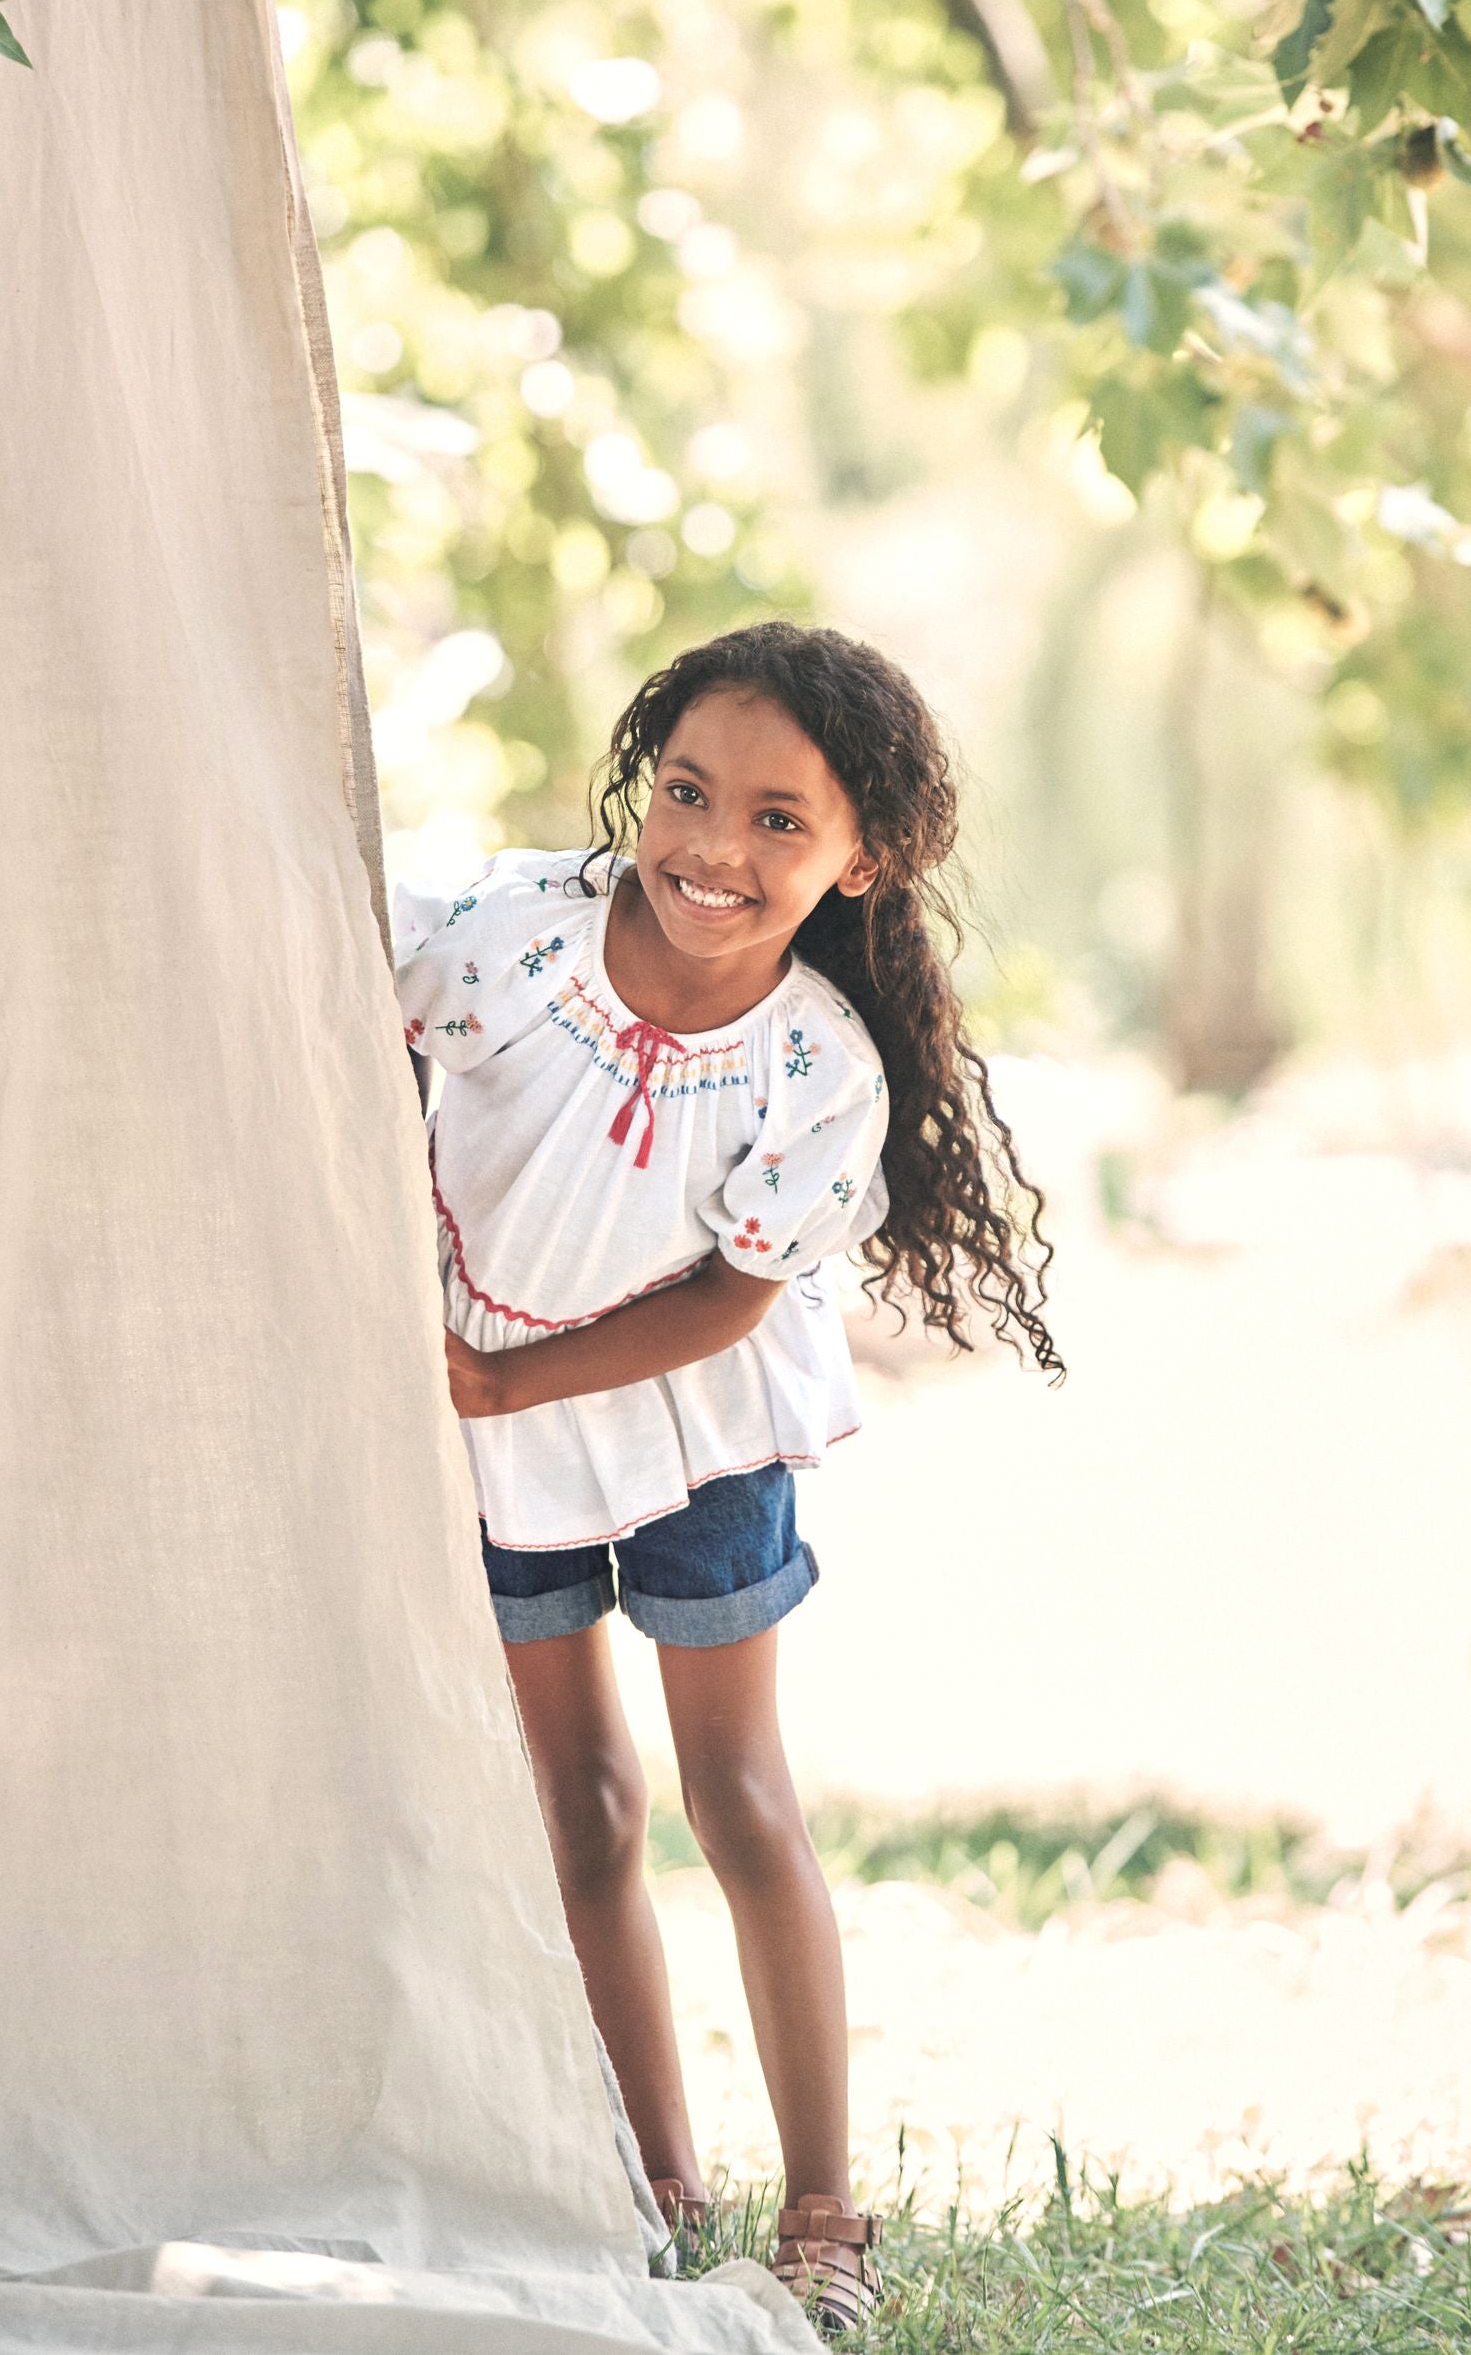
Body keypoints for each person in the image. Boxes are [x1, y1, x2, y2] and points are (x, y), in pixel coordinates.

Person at [393, 622, 1060, 2332]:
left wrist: (510, 1371)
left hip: (700, 1436)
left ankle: (825, 2210)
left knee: (738, 1800)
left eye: (781, 821)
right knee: (583, 1803)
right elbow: (336, 1043)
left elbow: (733, 1295)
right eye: (688, 792)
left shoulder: (819, 1067)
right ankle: (654, 2179)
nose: (713, 847)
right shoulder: (493, 937)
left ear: (867, 856)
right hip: (491, 1439)